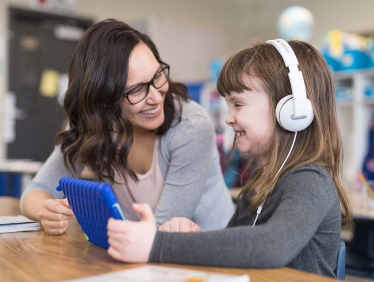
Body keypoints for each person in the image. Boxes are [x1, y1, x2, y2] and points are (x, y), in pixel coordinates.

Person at [106, 39, 352, 278]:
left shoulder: (310, 181)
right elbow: (235, 256)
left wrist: (158, 245)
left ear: (290, 110)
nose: (229, 118)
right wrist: (187, 238)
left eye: (238, 104)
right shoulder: (258, 186)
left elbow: (273, 245)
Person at [20, 19, 234, 235]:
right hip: (138, 252)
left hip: (208, 256)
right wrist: (47, 211)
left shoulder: (190, 126)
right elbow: (36, 192)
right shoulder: (95, 128)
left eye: (158, 75)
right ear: (104, 99)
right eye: (137, 90)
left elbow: (160, 232)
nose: (155, 97)